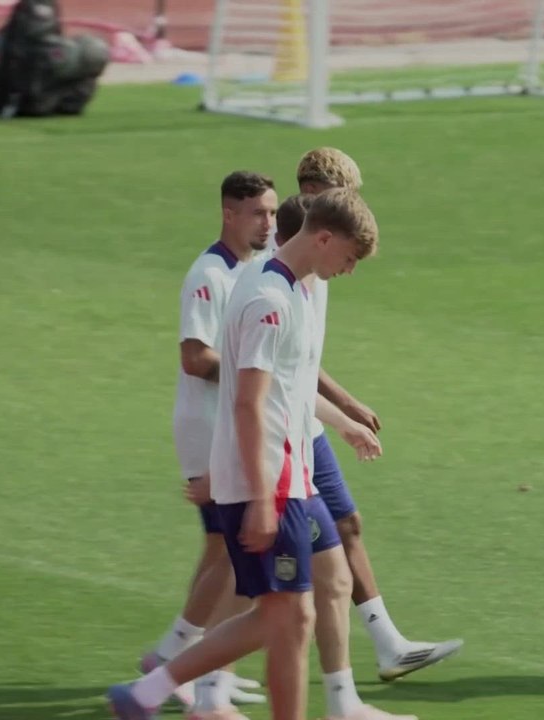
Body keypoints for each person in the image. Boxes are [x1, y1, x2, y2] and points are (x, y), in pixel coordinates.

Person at [108, 189, 416, 720]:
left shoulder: (287, 288)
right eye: (348, 258)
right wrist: (259, 499)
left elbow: (289, 390)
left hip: (294, 479)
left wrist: (342, 425)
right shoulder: (269, 302)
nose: (348, 271)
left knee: (304, 607)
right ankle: (154, 688)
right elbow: (247, 404)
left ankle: (155, 689)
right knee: (281, 619)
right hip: (271, 483)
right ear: (322, 238)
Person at [291, 148, 463, 680]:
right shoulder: (288, 263)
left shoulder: (319, 258)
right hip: (279, 423)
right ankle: (187, 664)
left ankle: (386, 645)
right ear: (316, 194)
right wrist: (342, 414)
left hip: (305, 414)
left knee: (345, 525)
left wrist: (343, 401)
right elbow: (280, 356)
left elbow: (299, 354)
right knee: (246, 561)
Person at [139, 171, 278, 716]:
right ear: (228, 214)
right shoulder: (209, 274)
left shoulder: (247, 269)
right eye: (257, 214)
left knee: (220, 548)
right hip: (207, 424)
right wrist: (254, 372)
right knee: (233, 550)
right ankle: (178, 660)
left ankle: (193, 661)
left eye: (271, 212)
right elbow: (194, 358)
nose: (268, 223)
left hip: (223, 423)